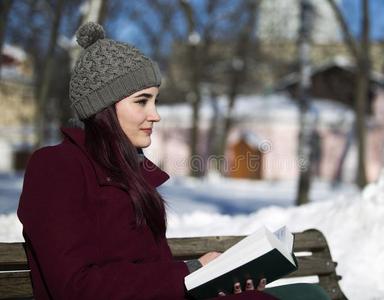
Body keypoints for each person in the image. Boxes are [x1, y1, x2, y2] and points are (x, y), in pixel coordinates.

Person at [17, 22, 330, 300]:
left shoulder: (132, 173)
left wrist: (218, 275)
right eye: (141, 101)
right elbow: (75, 286)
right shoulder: (56, 168)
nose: (155, 115)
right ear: (104, 108)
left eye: (155, 100)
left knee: (308, 294)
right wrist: (190, 270)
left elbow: (154, 273)